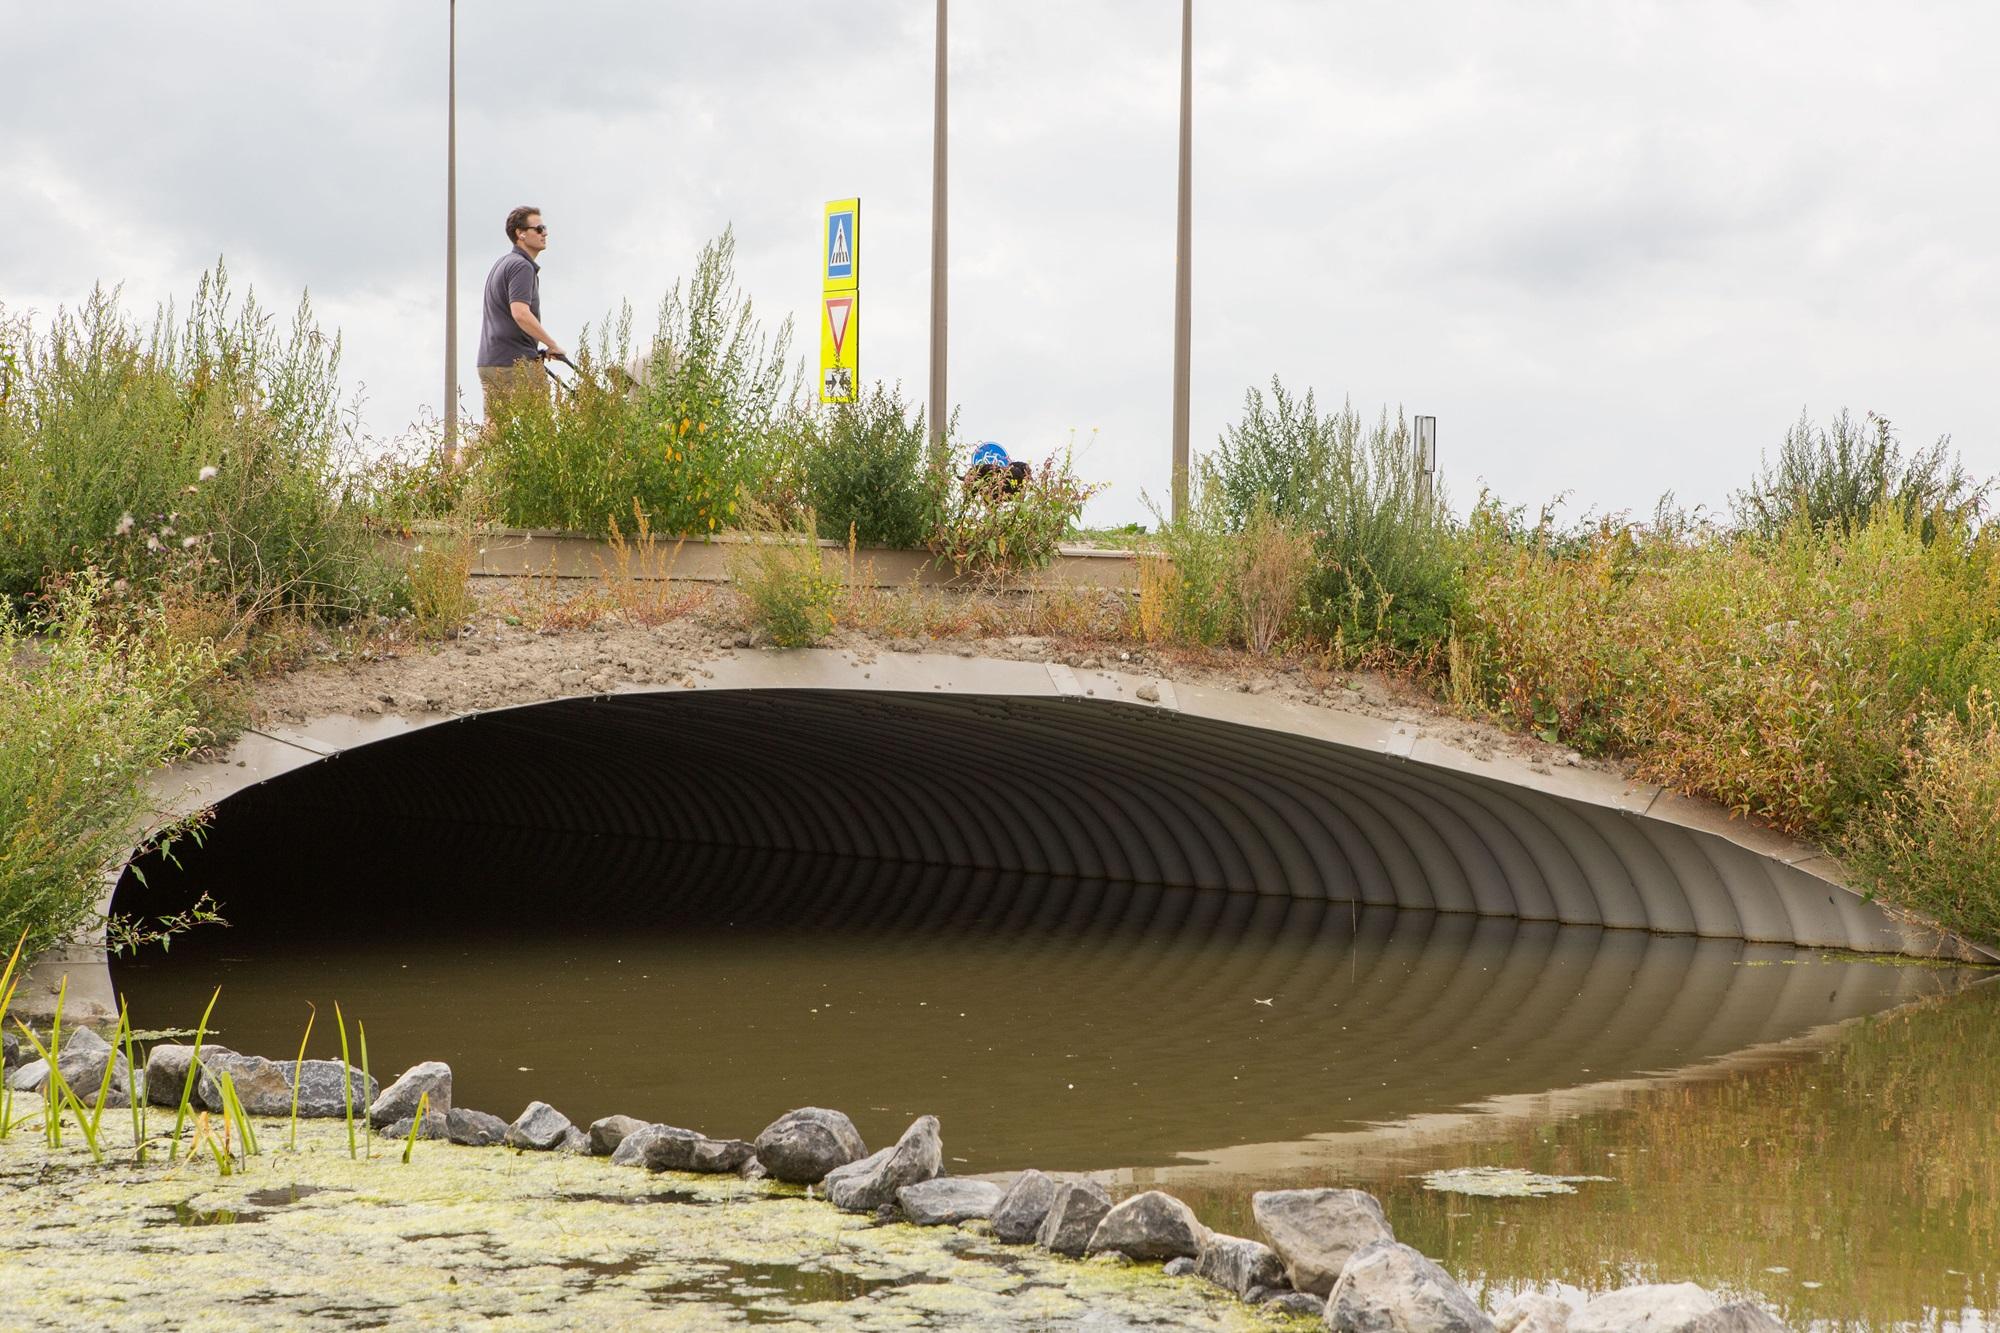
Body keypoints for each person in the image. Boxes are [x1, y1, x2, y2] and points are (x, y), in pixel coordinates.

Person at [470, 206, 566, 457]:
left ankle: (447, 476)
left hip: (491, 361)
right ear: (520, 234)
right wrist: (551, 344)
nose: (545, 233)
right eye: (539, 228)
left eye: (545, 228)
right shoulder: (522, 267)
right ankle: (542, 479)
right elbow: (520, 313)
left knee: (493, 432)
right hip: (516, 364)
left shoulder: (502, 264)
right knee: (543, 432)